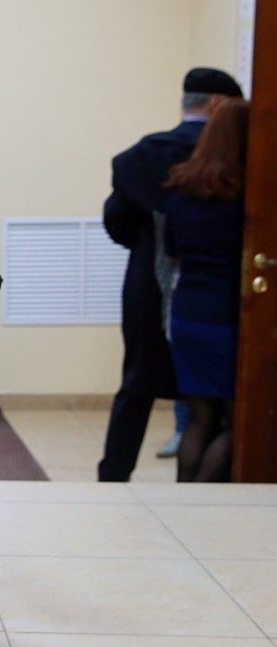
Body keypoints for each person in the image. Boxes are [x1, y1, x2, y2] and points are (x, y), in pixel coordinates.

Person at [97, 67, 243, 482]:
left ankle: (113, 477)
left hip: (148, 283)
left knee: (136, 384)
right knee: (215, 404)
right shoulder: (237, 156)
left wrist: (151, 248)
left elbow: (115, 219)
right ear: (218, 104)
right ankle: (210, 492)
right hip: (219, 290)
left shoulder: (144, 154)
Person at [164, 98, 249, 482]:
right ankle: (203, 494)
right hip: (228, 315)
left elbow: (171, 250)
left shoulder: (181, 186)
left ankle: (184, 496)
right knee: (237, 420)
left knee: (199, 419)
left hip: (187, 311)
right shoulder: (246, 194)